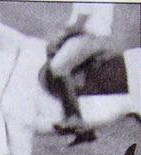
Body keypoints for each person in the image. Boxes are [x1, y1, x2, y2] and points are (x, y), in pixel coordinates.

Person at [47, 2, 114, 135]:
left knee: (58, 66)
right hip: (97, 37)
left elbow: (79, 24)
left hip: (89, 38)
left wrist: (59, 37)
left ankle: (74, 117)